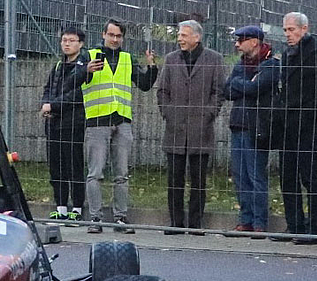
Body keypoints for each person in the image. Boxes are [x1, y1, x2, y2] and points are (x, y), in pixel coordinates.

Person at [81, 19, 159, 233]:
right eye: (111, 35)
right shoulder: (89, 56)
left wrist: (152, 67)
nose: (115, 39)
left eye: (119, 36)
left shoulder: (127, 58)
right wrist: (85, 70)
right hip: (97, 119)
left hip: (122, 120)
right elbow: (75, 80)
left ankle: (120, 218)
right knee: (95, 172)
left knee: (122, 174)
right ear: (103, 34)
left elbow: (143, 85)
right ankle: (95, 219)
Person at [156, 20, 225, 235]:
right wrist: (168, 112)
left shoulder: (214, 60)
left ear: (197, 37)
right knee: (174, 179)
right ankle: (175, 223)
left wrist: (209, 114)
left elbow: (218, 92)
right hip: (175, 128)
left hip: (201, 129)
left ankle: (196, 223)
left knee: (198, 179)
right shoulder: (170, 59)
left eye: (184, 35)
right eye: (179, 34)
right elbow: (162, 91)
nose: (180, 39)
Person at [275, 12, 317, 245]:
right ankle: (295, 224)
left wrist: (314, 115)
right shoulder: (288, 55)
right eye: (286, 30)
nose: (288, 34)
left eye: (292, 30)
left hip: (308, 123)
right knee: (287, 176)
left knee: (310, 176)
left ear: (304, 29)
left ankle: (315, 229)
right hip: (287, 123)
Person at [224, 25, 281, 237]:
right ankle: (245, 219)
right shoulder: (241, 65)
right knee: (240, 176)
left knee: (255, 175)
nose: (237, 44)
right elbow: (227, 90)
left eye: (241, 40)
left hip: (257, 128)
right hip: (238, 124)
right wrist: (245, 84)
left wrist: (243, 85)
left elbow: (256, 88)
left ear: (254, 42)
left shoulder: (271, 64)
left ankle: (259, 222)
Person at [39, 25, 87, 222]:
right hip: (54, 124)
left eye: (71, 40)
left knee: (74, 166)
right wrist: (45, 105)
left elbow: (76, 95)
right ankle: (61, 207)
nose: (66, 44)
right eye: (64, 40)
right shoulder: (58, 66)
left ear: (81, 44)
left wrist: (53, 106)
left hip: (73, 124)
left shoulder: (83, 68)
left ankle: (76, 208)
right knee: (56, 166)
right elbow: (48, 88)